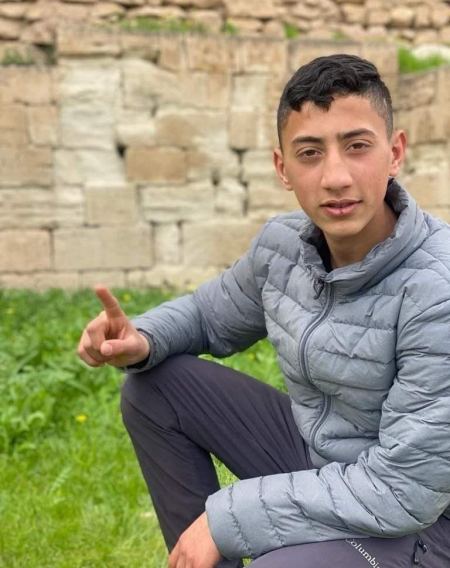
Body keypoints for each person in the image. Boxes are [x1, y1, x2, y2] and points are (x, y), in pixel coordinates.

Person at [78, 54, 450, 568]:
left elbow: (404, 490)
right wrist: (141, 338)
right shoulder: (284, 247)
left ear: (395, 152)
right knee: (155, 387)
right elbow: (210, 315)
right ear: (282, 168)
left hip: (420, 520)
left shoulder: (438, 289)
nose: (336, 176)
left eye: (357, 146)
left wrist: (226, 517)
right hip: (319, 461)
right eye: (310, 153)